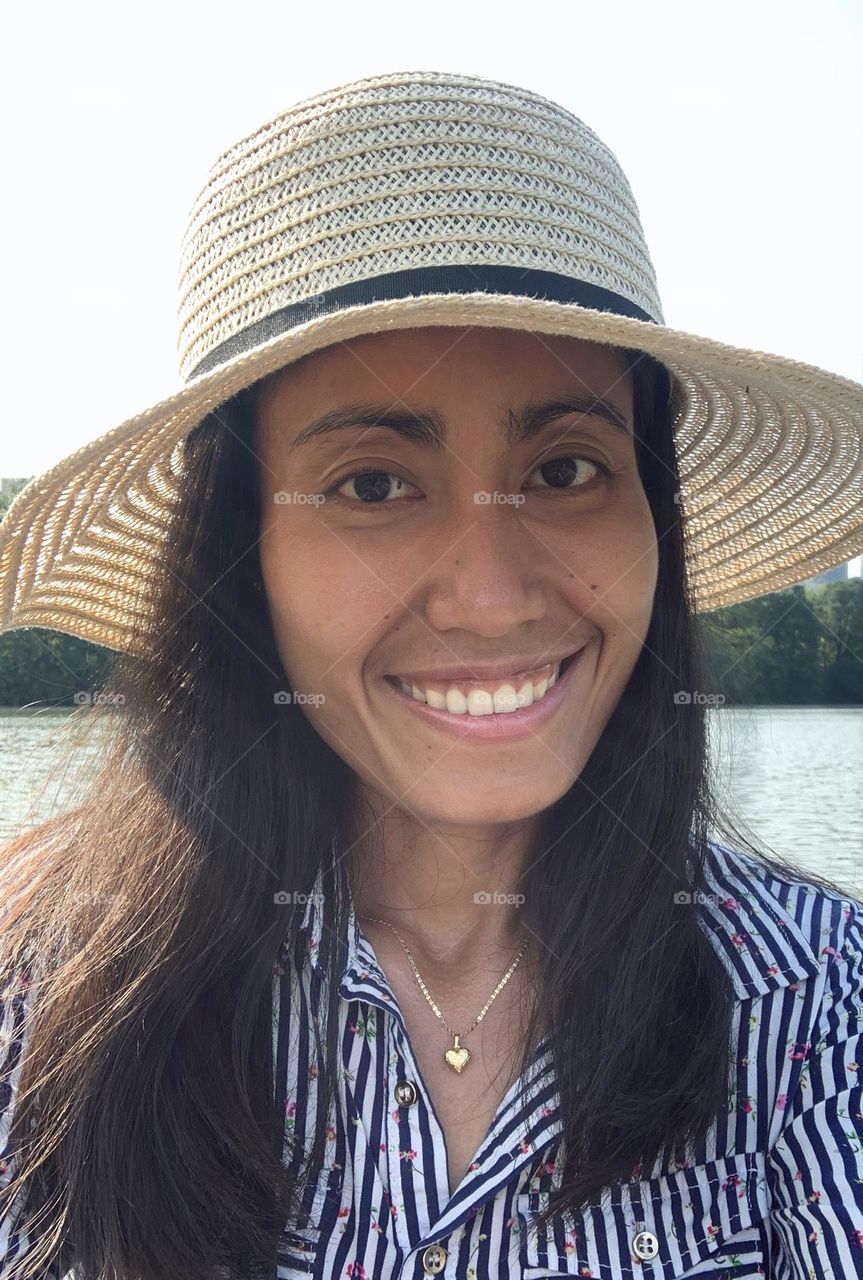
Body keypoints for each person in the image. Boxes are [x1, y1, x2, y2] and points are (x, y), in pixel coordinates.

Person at [0, 69, 861, 1280]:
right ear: (241, 556)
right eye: (369, 484)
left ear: (652, 519)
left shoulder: (819, 1002)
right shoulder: (49, 992)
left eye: (566, 469)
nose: (492, 593)